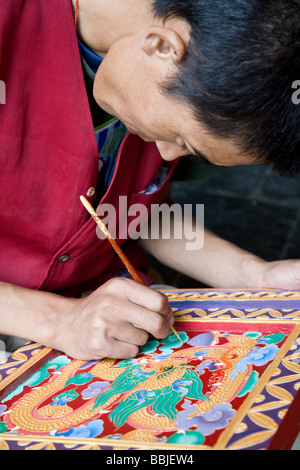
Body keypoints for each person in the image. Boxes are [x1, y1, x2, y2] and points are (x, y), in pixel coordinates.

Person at [0, 0, 299, 360]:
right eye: (184, 140)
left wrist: (253, 276)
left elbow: (134, 212)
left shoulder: (177, 74)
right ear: (162, 46)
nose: (168, 155)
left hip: (100, 306)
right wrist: (61, 321)